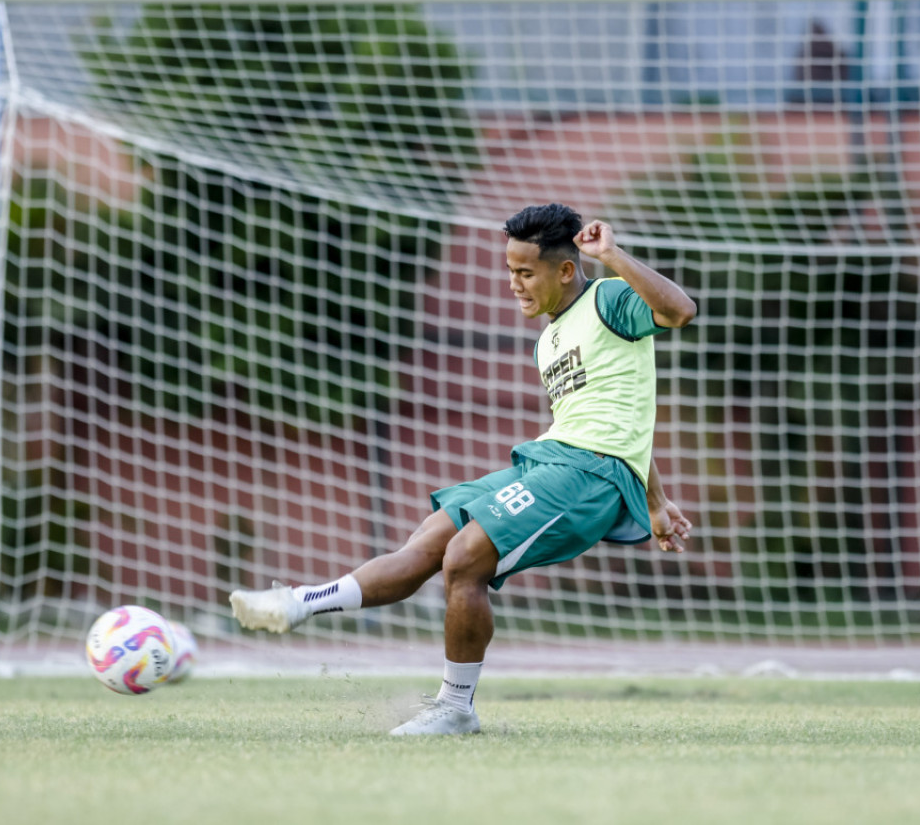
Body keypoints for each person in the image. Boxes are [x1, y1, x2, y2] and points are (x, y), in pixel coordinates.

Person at [230, 203, 697, 735]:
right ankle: (299, 603)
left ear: (566, 270)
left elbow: (680, 311)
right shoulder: (548, 340)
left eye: (526, 272)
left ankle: (454, 708)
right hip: (551, 459)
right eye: (510, 271)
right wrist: (657, 503)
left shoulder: (608, 298)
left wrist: (611, 256)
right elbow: (620, 416)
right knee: (430, 541)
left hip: (591, 476)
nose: (515, 285)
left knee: (465, 558)